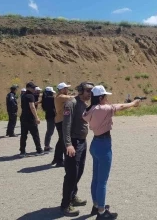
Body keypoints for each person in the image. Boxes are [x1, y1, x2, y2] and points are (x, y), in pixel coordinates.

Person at [82, 85, 140, 219]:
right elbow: (120, 107)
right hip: (103, 145)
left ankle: (96, 206)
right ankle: (102, 213)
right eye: (105, 96)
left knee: (96, 178)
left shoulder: (89, 109)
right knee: (102, 181)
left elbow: (108, 107)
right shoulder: (103, 109)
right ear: (101, 97)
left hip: (95, 143)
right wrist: (133, 103)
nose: (107, 98)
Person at [60, 82, 94, 217]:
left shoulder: (84, 104)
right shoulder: (71, 104)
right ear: (80, 91)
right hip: (72, 143)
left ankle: (72, 196)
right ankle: (65, 204)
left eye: (91, 91)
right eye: (88, 91)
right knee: (71, 174)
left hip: (81, 141)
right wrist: (68, 144)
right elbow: (66, 126)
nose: (90, 94)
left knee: (79, 171)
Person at [19, 82, 44, 157]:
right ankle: (39, 150)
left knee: (23, 135)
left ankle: (22, 151)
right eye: (33, 88)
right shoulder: (30, 96)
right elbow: (32, 107)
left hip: (23, 117)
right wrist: (37, 117)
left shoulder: (23, 95)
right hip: (30, 118)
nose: (34, 89)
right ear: (28, 88)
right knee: (35, 134)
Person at [52, 82, 74, 167]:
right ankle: (60, 160)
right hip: (61, 120)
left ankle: (57, 158)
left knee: (61, 140)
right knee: (64, 140)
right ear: (61, 89)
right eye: (65, 88)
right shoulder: (61, 97)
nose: (67, 89)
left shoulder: (59, 96)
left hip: (60, 120)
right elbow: (72, 98)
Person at [42, 86, 56, 152]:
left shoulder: (44, 98)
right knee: (50, 131)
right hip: (52, 116)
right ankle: (47, 146)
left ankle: (47, 145)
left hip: (48, 115)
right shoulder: (51, 98)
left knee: (49, 131)